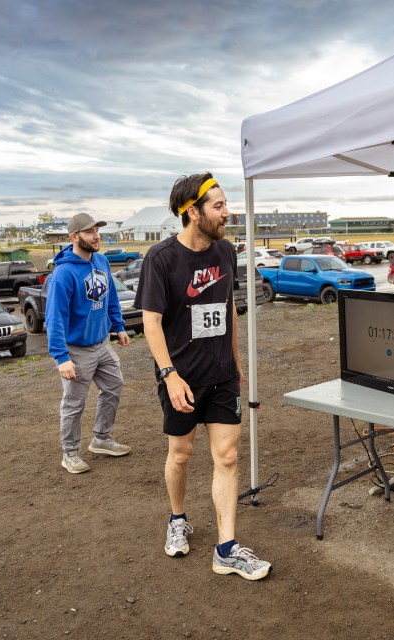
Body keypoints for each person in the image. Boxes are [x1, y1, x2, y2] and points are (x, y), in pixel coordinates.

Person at [134, 172, 272, 581]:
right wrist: (169, 375)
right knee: (181, 454)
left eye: (226, 204)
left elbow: (226, 305)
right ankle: (178, 518)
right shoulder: (161, 259)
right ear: (192, 212)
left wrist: (235, 358)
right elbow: (151, 322)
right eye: (219, 206)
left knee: (227, 457)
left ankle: (226, 549)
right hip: (181, 377)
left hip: (221, 376)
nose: (227, 213)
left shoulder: (225, 252)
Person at [46, 212, 132, 474]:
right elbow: (54, 318)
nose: (96, 236)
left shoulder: (102, 260)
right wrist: (61, 357)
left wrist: (119, 327)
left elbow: (110, 297)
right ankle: (70, 453)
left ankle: (101, 439)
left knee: (113, 386)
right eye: (89, 232)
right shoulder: (63, 274)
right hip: (77, 350)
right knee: (74, 404)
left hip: (101, 344)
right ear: (74, 237)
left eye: (97, 231)